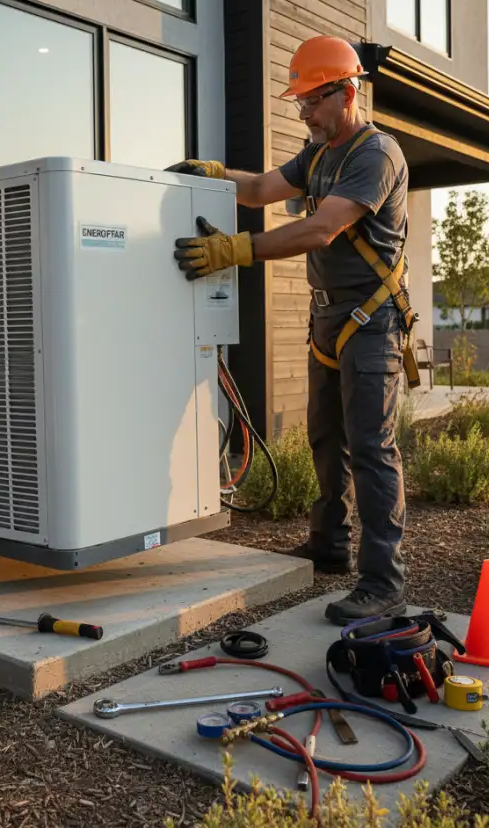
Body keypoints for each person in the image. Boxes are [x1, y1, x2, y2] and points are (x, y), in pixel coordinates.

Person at [165, 36, 419, 626]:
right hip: (328, 318)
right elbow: (260, 190)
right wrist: (214, 174)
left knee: (372, 449)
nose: (303, 112)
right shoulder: (318, 155)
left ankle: (384, 583)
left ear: (346, 93)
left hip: (371, 320)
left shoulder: (375, 155)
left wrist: (236, 250)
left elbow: (320, 230)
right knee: (326, 439)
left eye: (311, 100)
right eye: (299, 101)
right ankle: (329, 544)